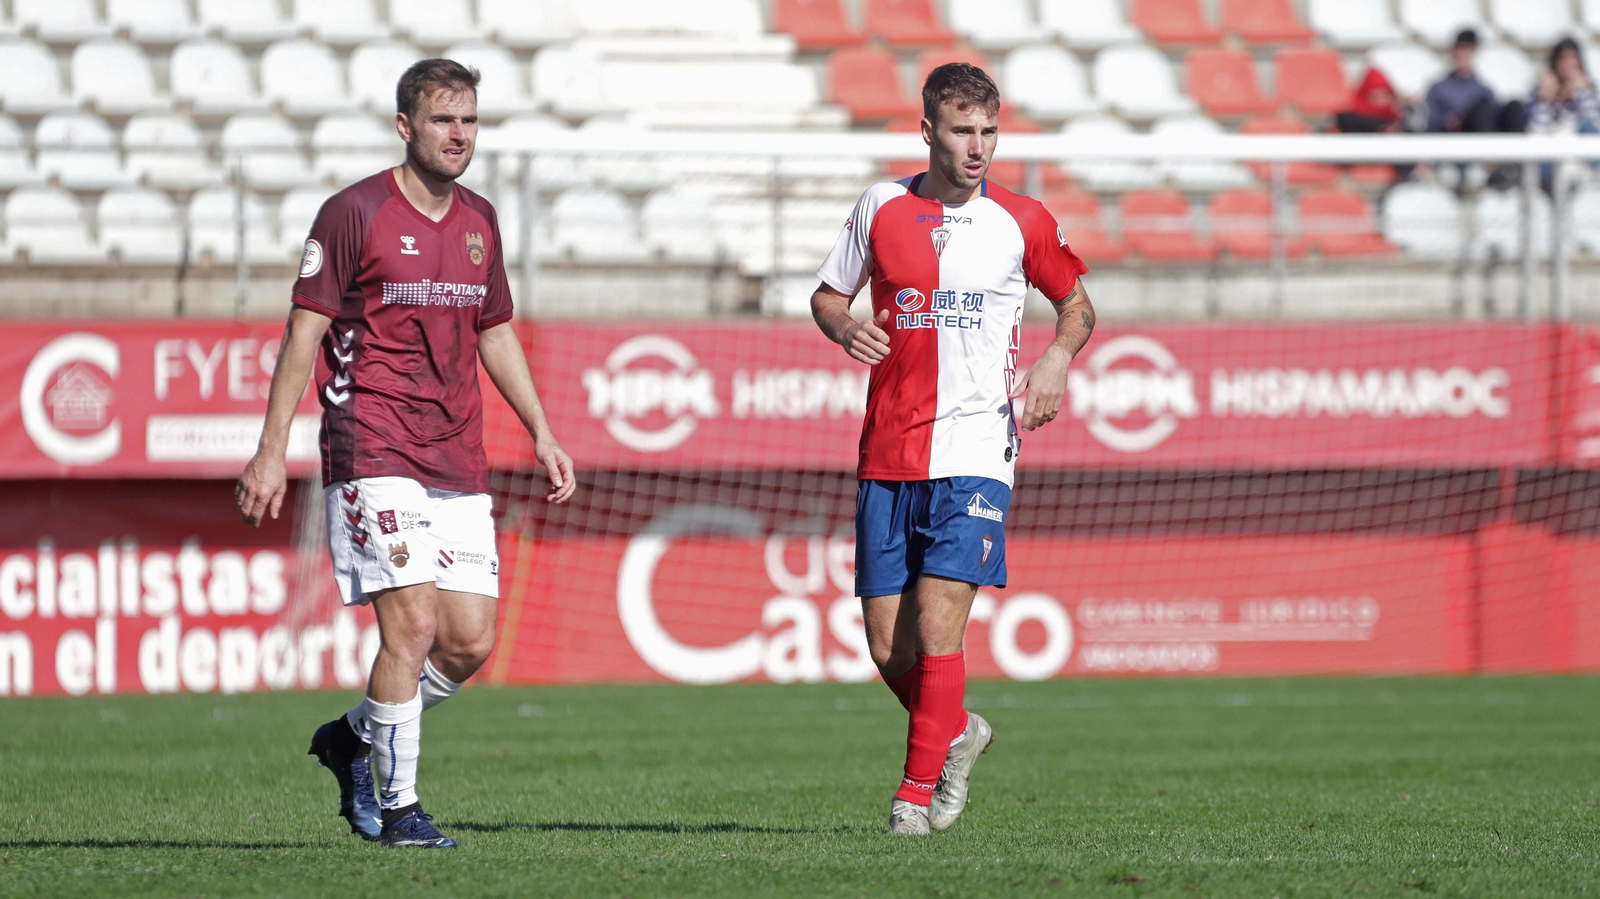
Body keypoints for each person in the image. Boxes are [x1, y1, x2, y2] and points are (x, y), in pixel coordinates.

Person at [235, 59, 576, 849]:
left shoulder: (481, 219)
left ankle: (353, 737)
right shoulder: (353, 213)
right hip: (373, 441)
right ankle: (400, 808)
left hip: (457, 453)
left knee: (469, 641)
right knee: (414, 624)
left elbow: (495, 332)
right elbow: (304, 334)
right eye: (442, 120)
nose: (459, 135)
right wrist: (268, 450)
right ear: (405, 126)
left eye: (470, 121)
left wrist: (543, 429)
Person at [809, 63, 1095, 835]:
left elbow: (1077, 306)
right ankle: (959, 729)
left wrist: (1057, 358)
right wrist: (845, 328)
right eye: (963, 130)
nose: (978, 147)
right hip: (890, 449)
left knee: (940, 626)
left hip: (978, 448)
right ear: (929, 130)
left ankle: (912, 798)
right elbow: (828, 296)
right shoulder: (882, 206)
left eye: (989, 131)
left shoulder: (1023, 220)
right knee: (885, 643)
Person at [1426, 29, 1527, 136]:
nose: (1463, 54)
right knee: (1482, 109)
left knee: (1514, 107)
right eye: (1460, 48)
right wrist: (1449, 120)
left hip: (1484, 130)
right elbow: (1432, 122)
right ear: (1453, 51)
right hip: (1457, 135)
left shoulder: (1484, 90)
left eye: (1468, 49)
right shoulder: (1439, 89)